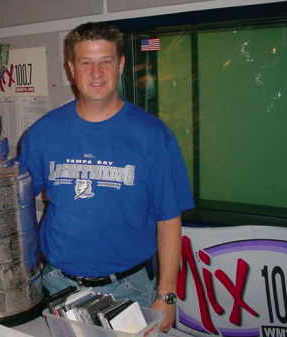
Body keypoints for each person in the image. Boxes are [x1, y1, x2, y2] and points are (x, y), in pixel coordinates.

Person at [17, 22, 194, 332]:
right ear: (71, 68)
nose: (96, 73)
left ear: (121, 65)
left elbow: (169, 219)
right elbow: (12, 197)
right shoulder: (43, 133)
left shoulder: (153, 136)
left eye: (105, 62)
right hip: (57, 285)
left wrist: (167, 294)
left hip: (130, 289)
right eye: (86, 62)